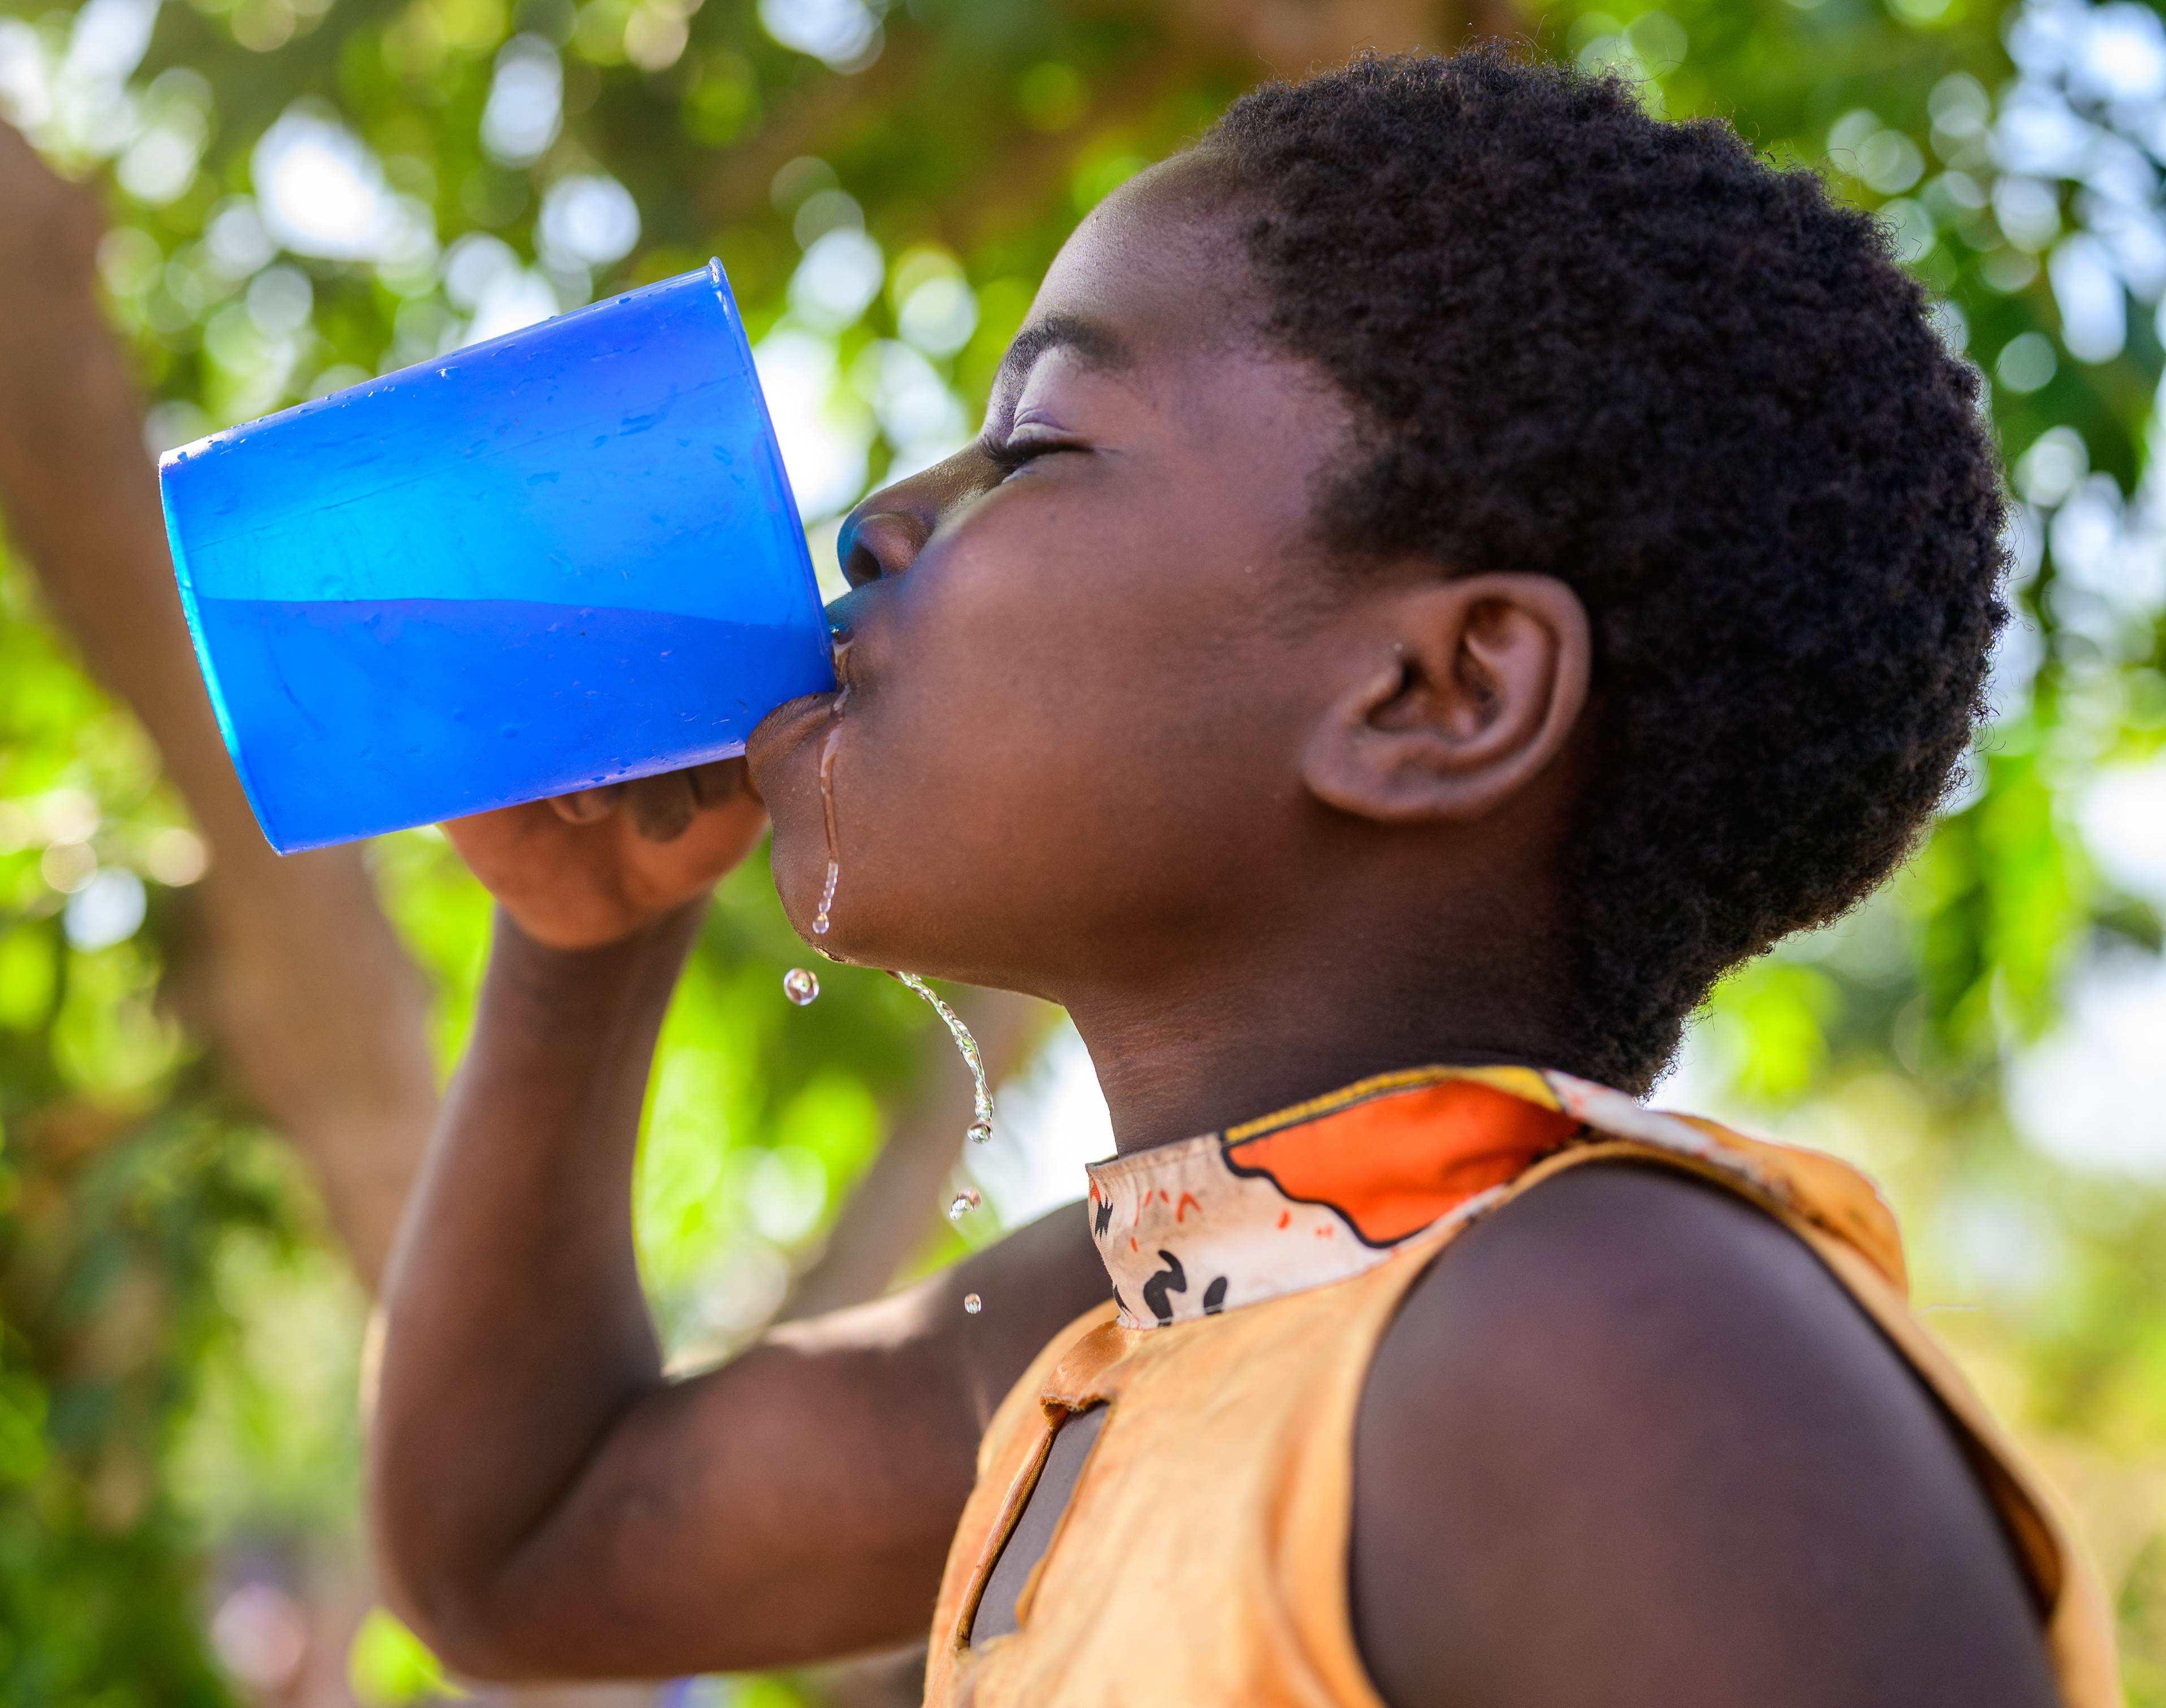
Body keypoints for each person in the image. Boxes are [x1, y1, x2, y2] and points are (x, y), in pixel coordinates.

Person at [364, 48, 2118, 1708]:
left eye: (1035, 446)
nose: (881, 520)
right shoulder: (1141, 1311)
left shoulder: (1607, 1349)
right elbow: (524, 1546)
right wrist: (582, 937)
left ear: (1440, 695)